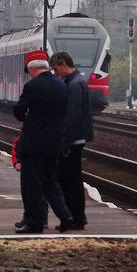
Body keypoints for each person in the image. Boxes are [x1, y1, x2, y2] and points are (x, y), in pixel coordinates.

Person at [13, 50, 74, 234]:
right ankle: (66, 217)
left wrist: (29, 118)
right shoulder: (62, 86)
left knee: (32, 185)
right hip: (54, 143)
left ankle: (34, 223)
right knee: (50, 183)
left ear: (32, 70)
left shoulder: (32, 86)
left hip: (34, 145)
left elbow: (19, 112)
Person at [50, 51, 93, 229]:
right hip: (76, 139)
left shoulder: (74, 85)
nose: (55, 73)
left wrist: (65, 143)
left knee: (69, 181)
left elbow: (72, 116)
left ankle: (75, 218)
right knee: (72, 180)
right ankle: (77, 217)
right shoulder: (76, 82)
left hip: (72, 141)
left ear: (62, 65)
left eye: (55, 69)